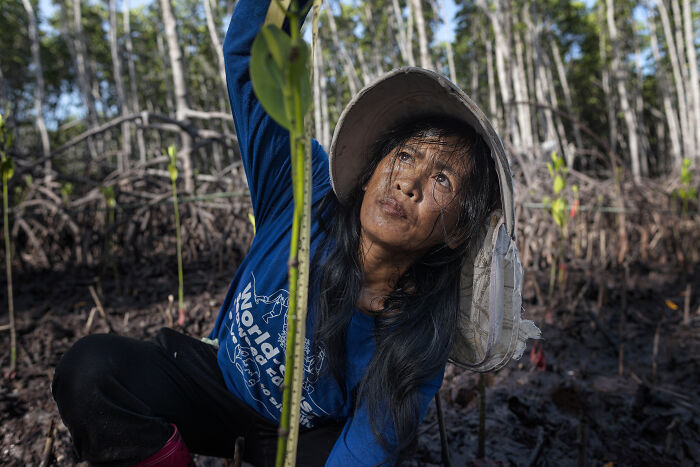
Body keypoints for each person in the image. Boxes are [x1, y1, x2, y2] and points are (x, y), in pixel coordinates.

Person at [51, 0, 539, 466]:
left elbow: (368, 447)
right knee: (92, 371)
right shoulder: (302, 193)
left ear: (456, 234)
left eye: (443, 180)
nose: (408, 182)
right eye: (406, 155)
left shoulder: (420, 329)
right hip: (217, 382)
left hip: (302, 436)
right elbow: (249, 53)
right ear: (371, 171)